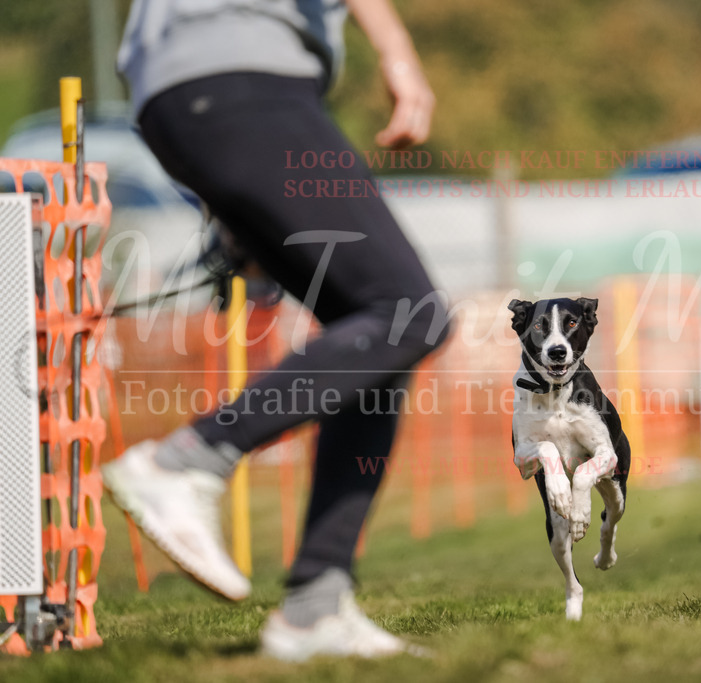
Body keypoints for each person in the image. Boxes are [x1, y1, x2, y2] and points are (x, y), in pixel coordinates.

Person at [101, 0, 448, 661]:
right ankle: (186, 459)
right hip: (242, 78)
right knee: (410, 310)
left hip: (185, 95)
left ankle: (316, 604)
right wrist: (399, 57)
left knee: (373, 331)